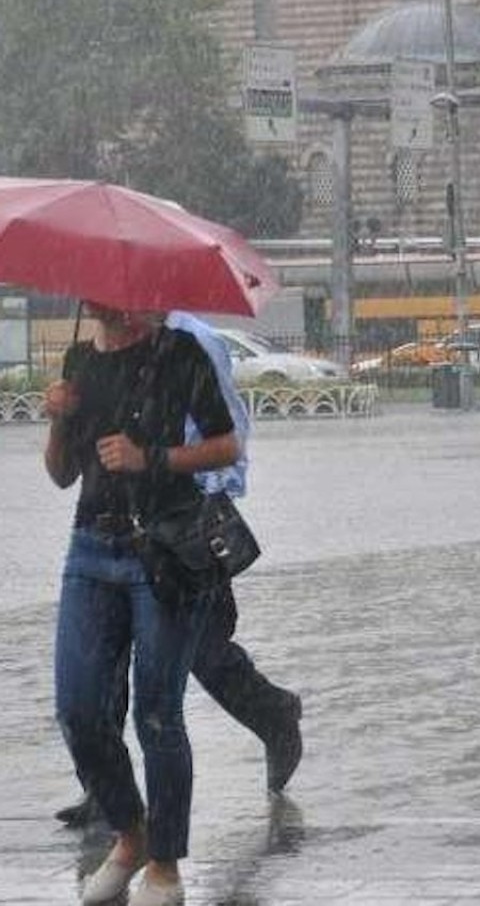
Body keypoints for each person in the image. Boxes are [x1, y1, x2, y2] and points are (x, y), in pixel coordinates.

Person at [54, 311, 303, 829]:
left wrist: (191, 509)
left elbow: (231, 432)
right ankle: (105, 789)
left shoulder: (191, 341)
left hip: (185, 531)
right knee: (107, 659)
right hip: (121, 533)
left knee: (205, 654)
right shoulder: (92, 352)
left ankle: (273, 713)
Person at [45, 304, 239, 905]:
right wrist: (57, 421)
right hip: (90, 551)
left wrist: (148, 458)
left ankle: (165, 864)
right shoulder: (79, 361)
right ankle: (130, 834)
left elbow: (226, 443)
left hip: (162, 551)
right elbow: (59, 475)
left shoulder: (179, 353)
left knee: (157, 713)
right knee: (79, 710)